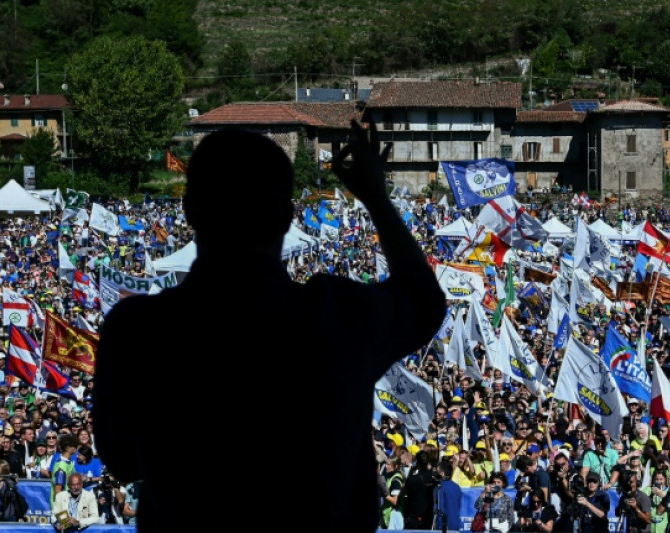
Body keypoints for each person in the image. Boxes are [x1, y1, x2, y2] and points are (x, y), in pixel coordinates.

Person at [93, 121, 446, 532]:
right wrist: (376, 200)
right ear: (286, 216)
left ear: (190, 212)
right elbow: (423, 299)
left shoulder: (139, 331)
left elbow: (120, 457)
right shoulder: (339, 318)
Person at [402, 450, 437, 530]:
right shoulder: (433, 478)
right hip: (427, 516)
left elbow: (404, 490)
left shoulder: (412, 479)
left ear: (417, 462)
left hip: (414, 515)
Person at [434, 459, 462, 531]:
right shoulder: (457, 486)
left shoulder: (440, 487)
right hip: (456, 523)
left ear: (442, 473)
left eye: (437, 471)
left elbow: (439, 508)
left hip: (444, 525)